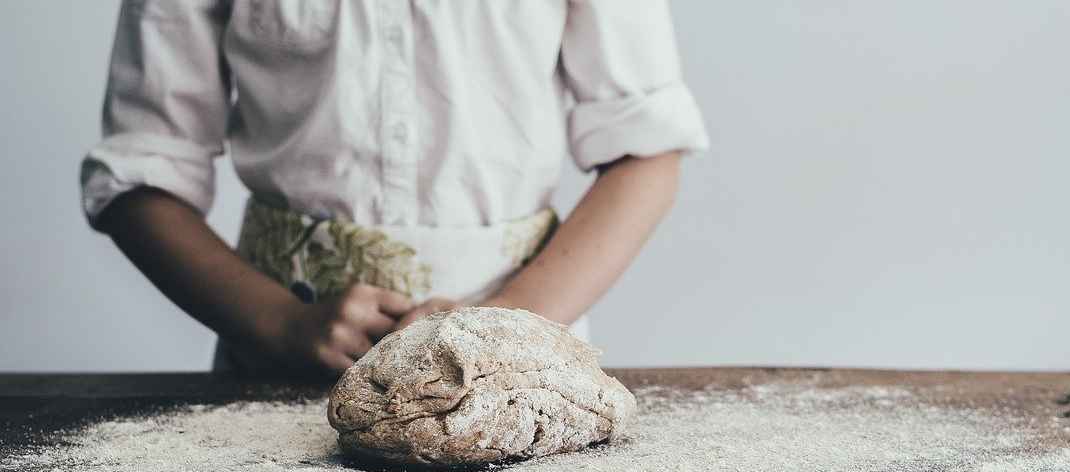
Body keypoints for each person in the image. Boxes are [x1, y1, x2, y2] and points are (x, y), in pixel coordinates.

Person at [81, 1, 708, 376]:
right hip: (279, 365)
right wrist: (280, 323)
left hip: (523, 361)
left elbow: (645, 153)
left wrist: (509, 326)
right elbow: (140, 172)